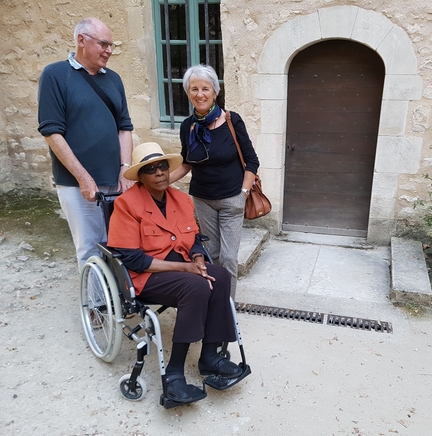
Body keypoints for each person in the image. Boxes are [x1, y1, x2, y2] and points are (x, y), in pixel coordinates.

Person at [107, 142, 247, 404]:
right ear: (140, 176)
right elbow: (133, 258)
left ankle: (210, 356)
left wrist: (196, 257)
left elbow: (194, 238)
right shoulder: (127, 204)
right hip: (147, 275)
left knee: (221, 277)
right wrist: (186, 268)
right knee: (195, 286)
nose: (159, 172)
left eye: (162, 166)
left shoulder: (181, 199)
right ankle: (173, 374)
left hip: (184, 264)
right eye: (151, 169)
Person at [37, 17, 134, 272]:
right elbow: (51, 132)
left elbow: (125, 127)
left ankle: (117, 299)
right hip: (77, 183)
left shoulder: (114, 79)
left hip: (114, 178)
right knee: (90, 247)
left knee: (118, 242)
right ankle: (95, 307)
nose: (109, 50)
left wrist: (125, 168)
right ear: (81, 40)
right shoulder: (55, 75)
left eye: (112, 45)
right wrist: (83, 177)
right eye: (104, 43)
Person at [169, 64, 260, 300]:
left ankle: (227, 305)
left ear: (215, 92)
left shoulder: (232, 121)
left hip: (232, 199)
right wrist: (163, 181)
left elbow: (251, 161)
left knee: (229, 257)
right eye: (194, 89)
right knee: (214, 254)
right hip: (203, 199)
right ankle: (216, 299)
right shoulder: (187, 126)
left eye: (205, 88)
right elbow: (187, 162)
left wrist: (243, 193)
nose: (200, 94)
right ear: (189, 93)